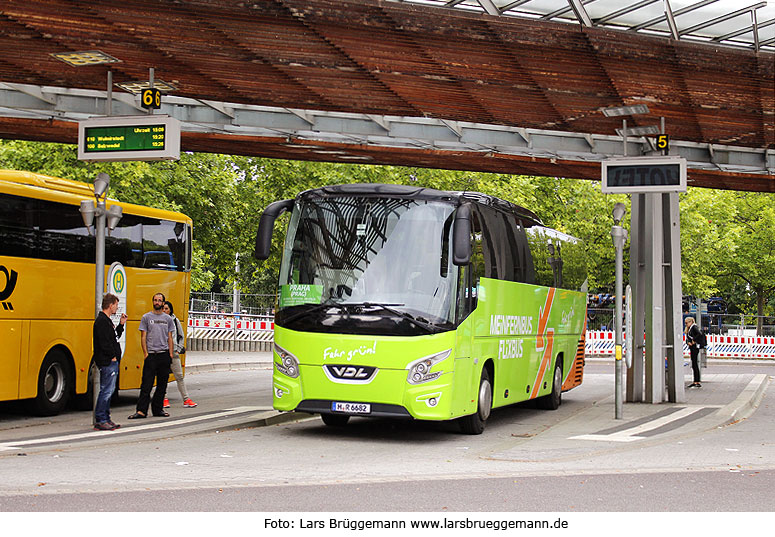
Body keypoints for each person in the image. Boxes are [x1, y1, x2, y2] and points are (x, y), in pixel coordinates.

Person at [128, 292, 176, 419]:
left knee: (162, 385)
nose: (157, 302)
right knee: (146, 385)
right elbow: (143, 336)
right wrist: (146, 353)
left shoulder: (168, 319)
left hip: (164, 354)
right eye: (155, 300)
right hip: (151, 355)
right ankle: (141, 411)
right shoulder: (146, 317)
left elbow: (170, 337)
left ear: (163, 303)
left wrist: (170, 354)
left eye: (159, 300)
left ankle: (158, 409)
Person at [92, 293, 127, 431]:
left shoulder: (106, 321)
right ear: (110, 305)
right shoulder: (102, 321)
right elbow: (105, 342)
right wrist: (112, 356)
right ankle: (101, 419)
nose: (117, 308)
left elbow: (113, 337)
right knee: (106, 391)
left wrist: (121, 325)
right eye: (116, 305)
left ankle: (106, 417)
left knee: (108, 390)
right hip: (107, 361)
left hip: (109, 360)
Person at [162, 300, 197, 409]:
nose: (164, 310)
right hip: (163, 352)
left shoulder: (175, 320)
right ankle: (164, 399)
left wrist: (178, 349)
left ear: (170, 310)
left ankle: (186, 399)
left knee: (179, 377)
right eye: (163, 308)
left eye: (166, 308)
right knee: (163, 377)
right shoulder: (159, 320)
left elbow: (181, 336)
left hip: (174, 352)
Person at [685, 316, 702, 388]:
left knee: (694, 364)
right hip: (692, 347)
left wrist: (693, 340)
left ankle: (696, 381)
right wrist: (688, 342)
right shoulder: (691, 328)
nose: (686, 325)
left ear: (691, 322)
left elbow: (699, 334)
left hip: (694, 347)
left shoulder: (694, 327)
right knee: (694, 364)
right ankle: (696, 380)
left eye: (687, 323)